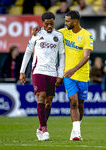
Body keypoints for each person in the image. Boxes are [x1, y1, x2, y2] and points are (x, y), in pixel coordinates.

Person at [32, 10, 93, 141]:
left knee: (81, 104)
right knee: (74, 102)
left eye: (67, 21)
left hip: (82, 75)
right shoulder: (62, 33)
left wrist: (75, 69)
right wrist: (38, 28)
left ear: (75, 21)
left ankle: (75, 129)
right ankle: (77, 133)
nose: (65, 23)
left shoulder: (87, 35)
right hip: (68, 75)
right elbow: (48, 31)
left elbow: (86, 56)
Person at [19, 11, 65, 141]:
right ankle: (45, 130)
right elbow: (28, 52)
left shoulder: (58, 36)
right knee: (41, 97)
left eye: (51, 23)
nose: (49, 26)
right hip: (38, 70)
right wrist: (22, 71)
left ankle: (40, 127)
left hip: (52, 72)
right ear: (42, 23)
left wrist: (60, 75)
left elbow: (61, 56)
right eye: (47, 24)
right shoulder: (36, 34)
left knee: (48, 102)